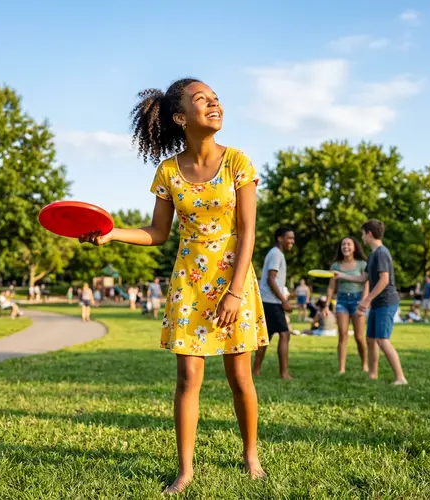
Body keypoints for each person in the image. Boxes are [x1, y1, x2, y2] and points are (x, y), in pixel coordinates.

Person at [79, 78, 269, 494]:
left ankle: (250, 455)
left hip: (233, 278)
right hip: (189, 283)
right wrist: (112, 235)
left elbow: (249, 231)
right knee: (187, 379)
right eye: (203, 99)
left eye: (216, 97)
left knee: (240, 378)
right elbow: (158, 232)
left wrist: (235, 293)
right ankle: (185, 470)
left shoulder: (239, 162)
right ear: (181, 117)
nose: (214, 103)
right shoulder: (167, 171)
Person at [334, 219, 407, 385]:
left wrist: (366, 300)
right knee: (371, 339)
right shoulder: (374, 255)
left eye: (362, 234)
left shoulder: (381, 253)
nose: (362, 237)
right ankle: (373, 374)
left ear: (369, 234)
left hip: (386, 302)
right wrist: (342, 275)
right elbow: (364, 278)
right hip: (377, 303)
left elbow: (384, 280)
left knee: (382, 340)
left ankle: (400, 378)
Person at [253, 227, 296, 379]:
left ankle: (255, 371)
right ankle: (284, 373)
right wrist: (284, 301)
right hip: (271, 302)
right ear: (279, 238)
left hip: (268, 301)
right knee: (284, 334)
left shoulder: (276, 254)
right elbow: (271, 279)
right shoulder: (276, 254)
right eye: (289, 238)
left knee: (266, 337)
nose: (292, 241)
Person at [326, 236, 369, 374]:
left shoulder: (362, 264)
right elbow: (331, 287)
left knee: (359, 336)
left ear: (354, 247)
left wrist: (364, 302)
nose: (345, 247)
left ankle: (364, 364)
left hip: (358, 300)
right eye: (343, 244)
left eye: (349, 244)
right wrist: (326, 305)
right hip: (342, 301)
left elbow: (366, 284)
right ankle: (342, 368)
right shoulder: (336, 266)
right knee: (342, 335)